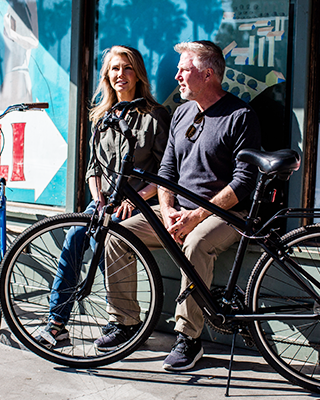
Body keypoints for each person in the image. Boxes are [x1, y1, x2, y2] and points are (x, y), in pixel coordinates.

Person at [95, 41, 261, 371]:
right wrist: (168, 211)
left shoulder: (240, 116)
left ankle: (188, 338)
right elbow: (166, 171)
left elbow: (244, 182)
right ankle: (125, 322)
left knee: (196, 244)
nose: (177, 76)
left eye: (183, 70)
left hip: (225, 214)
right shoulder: (182, 113)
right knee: (117, 236)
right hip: (179, 210)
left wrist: (197, 215)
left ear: (208, 73)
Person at [36, 45, 170, 345]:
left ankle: (122, 320)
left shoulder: (155, 115)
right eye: (114, 69)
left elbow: (165, 173)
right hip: (103, 202)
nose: (120, 74)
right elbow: (93, 167)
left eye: (127, 68)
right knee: (73, 237)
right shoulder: (101, 116)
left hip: (137, 205)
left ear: (138, 74)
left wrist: (133, 201)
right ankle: (57, 323)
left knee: (108, 238)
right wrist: (98, 199)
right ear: (106, 76)